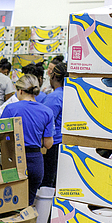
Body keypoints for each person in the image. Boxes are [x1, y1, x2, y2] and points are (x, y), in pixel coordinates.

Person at [0, 74, 54, 205]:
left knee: (10, 204)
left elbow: (1, 138)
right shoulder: (47, 111)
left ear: (20, 91)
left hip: (13, 161)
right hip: (36, 161)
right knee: (27, 205)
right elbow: (48, 144)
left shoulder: (11, 109)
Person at [40, 61, 66, 189]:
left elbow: (44, 121)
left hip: (54, 144)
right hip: (65, 143)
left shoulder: (54, 97)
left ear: (53, 76)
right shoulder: (70, 94)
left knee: (48, 181)